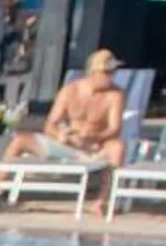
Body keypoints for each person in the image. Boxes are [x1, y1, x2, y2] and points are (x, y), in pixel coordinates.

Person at [8, 48, 127, 193]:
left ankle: (103, 201)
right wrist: (60, 135)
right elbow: (50, 124)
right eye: (106, 73)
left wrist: (94, 136)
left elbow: (115, 129)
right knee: (19, 141)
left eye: (113, 73)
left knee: (117, 148)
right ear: (93, 72)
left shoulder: (115, 95)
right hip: (68, 145)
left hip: (95, 147)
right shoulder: (70, 91)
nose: (111, 77)